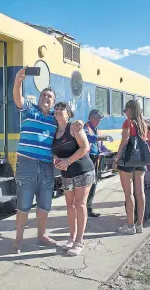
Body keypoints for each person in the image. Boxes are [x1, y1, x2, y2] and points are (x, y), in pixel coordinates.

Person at [11, 67, 81, 254]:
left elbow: (69, 123)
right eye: (43, 95)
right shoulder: (29, 110)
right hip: (26, 163)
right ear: (39, 97)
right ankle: (18, 241)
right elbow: (18, 98)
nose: (46, 98)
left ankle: (41, 235)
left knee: (44, 204)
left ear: (54, 102)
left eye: (50, 96)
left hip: (47, 166)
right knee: (24, 205)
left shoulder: (55, 119)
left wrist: (79, 123)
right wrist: (18, 81)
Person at [52, 102, 95, 256]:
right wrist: (56, 159)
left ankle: (79, 241)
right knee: (70, 205)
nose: (57, 111)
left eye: (61, 109)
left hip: (83, 171)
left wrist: (68, 161)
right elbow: (56, 151)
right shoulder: (55, 130)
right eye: (56, 109)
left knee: (80, 204)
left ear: (68, 113)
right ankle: (71, 238)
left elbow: (85, 147)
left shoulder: (74, 127)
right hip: (67, 175)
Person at [114, 100, 148, 235]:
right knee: (140, 193)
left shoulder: (128, 123)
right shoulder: (143, 124)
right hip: (140, 161)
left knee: (128, 194)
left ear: (130, 110)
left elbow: (124, 141)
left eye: (125, 110)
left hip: (128, 161)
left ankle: (130, 226)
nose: (125, 113)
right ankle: (139, 224)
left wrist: (117, 158)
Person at [84, 109, 113, 218]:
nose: (99, 121)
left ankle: (88, 207)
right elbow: (89, 138)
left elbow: (99, 145)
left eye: (100, 119)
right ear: (91, 117)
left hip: (96, 159)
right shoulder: (86, 127)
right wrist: (102, 137)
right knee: (88, 184)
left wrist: (108, 150)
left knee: (93, 183)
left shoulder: (95, 129)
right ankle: (85, 208)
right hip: (88, 158)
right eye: (97, 119)